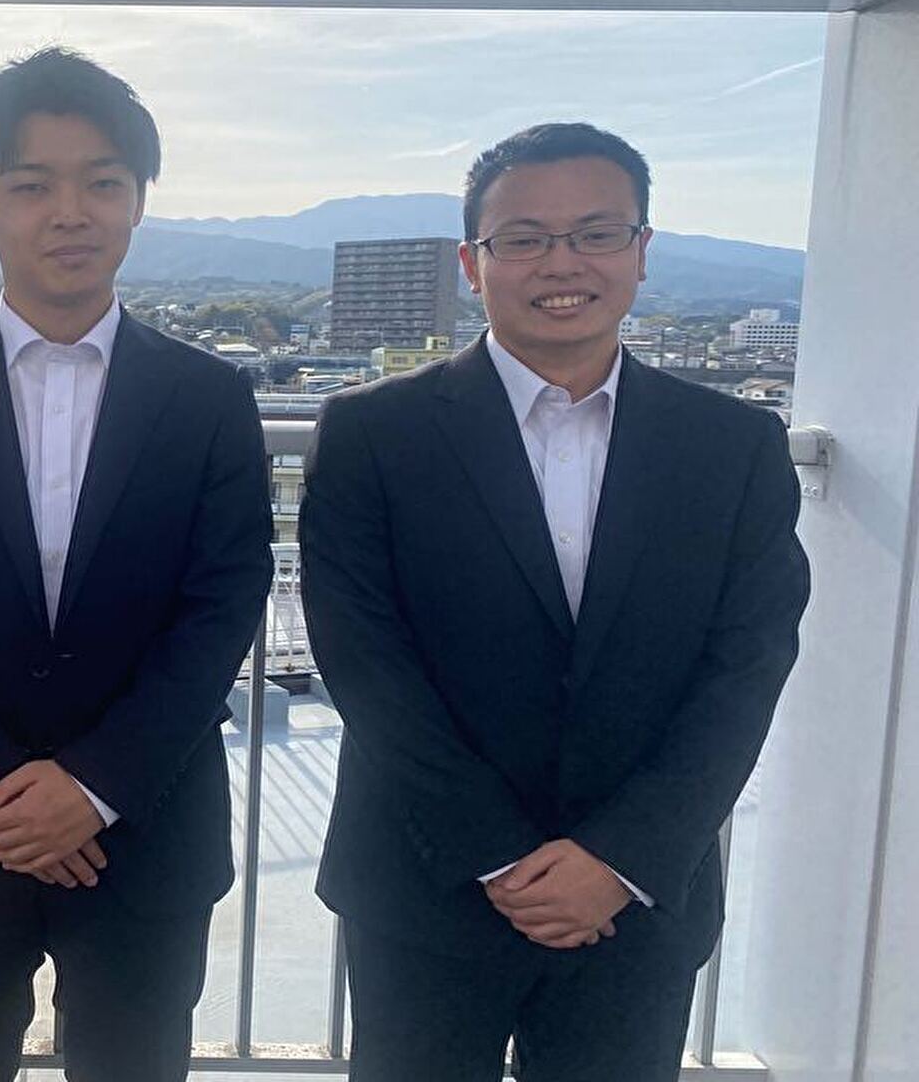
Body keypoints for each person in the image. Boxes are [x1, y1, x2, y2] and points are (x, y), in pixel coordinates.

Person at [300, 121, 810, 1080]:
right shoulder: (374, 434)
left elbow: (748, 666)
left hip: (636, 900)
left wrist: (619, 859)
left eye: (596, 233)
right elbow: (365, 662)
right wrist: (498, 855)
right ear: (473, 262)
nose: (562, 263)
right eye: (524, 238)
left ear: (642, 250)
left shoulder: (731, 445)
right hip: (425, 884)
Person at [0, 47, 272, 1081]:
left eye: (102, 182)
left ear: (138, 200)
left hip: (144, 826)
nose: (72, 213)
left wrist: (96, 785)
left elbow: (221, 605)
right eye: (31, 186)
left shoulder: (209, 397)